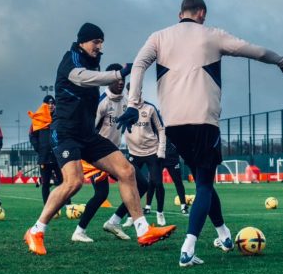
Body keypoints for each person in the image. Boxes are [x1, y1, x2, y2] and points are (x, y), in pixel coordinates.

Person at [117, 0, 283, 267]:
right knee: (203, 184)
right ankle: (189, 247)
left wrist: (133, 103)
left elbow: (138, 65)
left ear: (180, 14)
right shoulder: (211, 35)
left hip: (174, 125)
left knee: (204, 179)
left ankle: (223, 234)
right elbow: (254, 51)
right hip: (204, 122)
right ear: (202, 13)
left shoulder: (159, 37)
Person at [23, 23, 175, 256]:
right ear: (83, 41)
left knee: (127, 171)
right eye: (96, 41)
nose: (100, 46)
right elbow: (83, 78)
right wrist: (119, 73)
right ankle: (36, 230)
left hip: (87, 135)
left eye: (102, 42)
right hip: (65, 132)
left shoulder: (92, 60)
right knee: (73, 182)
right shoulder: (71, 59)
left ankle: (143, 230)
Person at [71, 63, 133, 243]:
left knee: (141, 183)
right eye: (117, 79)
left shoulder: (125, 100)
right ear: (109, 80)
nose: (121, 82)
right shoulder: (102, 102)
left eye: (123, 79)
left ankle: (114, 221)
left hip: (114, 153)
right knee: (101, 194)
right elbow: (89, 130)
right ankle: (79, 231)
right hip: (96, 155)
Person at [122, 90, 167, 226]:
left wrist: (161, 150)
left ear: (140, 92)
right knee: (132, 186)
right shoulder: (124, 108)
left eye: (137, 92)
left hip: (152, 152)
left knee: (157, 183)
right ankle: (131, 216)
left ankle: (160, 212)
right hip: (134, 153)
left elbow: (161, 129)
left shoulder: (150, 108)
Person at [28, 95, 66, 206]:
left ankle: (67, 205)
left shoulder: (59, 118)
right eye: (48, 103)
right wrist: (38, 148)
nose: (50, 105)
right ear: (43, 105)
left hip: (57, 156)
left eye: (52, 103)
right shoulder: (37, 119)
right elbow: (32, 136)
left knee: (63, 182)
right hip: (44, 156)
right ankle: (47, 206)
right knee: (45, 184)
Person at [146, 141, 189, 215]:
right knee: (152, 182)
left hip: (173, 158)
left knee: (178, 182)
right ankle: (147, 207)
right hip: (159, 158)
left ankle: (183, 206)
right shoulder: (157, 129)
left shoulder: (173, 129)